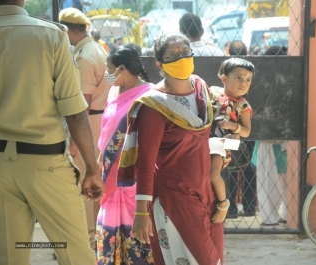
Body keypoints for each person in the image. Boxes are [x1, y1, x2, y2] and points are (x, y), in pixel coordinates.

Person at [0, 1, 103, 264]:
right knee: (75, 253)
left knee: (10, 255)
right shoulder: (51, 35)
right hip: (45, 165)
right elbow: (76, 112)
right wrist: (92, 169)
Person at [123, 32, 224, 264]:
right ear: (159, 63)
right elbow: (146, 161)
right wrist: (141, 211)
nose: (181, 57)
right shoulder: (155, 105)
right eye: (173, 55)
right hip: (174, 197)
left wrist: (223, 198)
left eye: (185, 52)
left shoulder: (200, 88)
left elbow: (212, 139)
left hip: (207, 193)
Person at [96, 44, 154, 265]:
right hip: (109, 173)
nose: (107, 74)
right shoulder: (114, 90)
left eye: (109, 69)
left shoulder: (148, 95)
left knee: (135, 238)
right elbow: (107, 129)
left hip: (132, 178)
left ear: (121, 68)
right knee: (108, 231)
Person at [59, 7, 109, 251]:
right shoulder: (96, 49)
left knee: (86, 185)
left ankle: (90, 244)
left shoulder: (84, 57)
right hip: (99, 122)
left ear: (67, 30)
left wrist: (74, 141)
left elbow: (83, 104)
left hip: (88, 124)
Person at [209, 58, 254, 223]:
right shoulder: (213, 92)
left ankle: (223, 204)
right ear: (224, 79)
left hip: (223, 141)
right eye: (239, 77)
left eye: (248, 79)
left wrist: (232, 126)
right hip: (204, 138)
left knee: (213, 172)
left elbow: (247, 131)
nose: (244, 82)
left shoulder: (243, 106)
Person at [256, 45, 288, 226]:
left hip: (266, 136)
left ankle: (270, 216)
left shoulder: (262, 80)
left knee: (267, 179)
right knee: (285, 178)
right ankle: (288, 214)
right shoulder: (289, 78)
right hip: (286, 135)